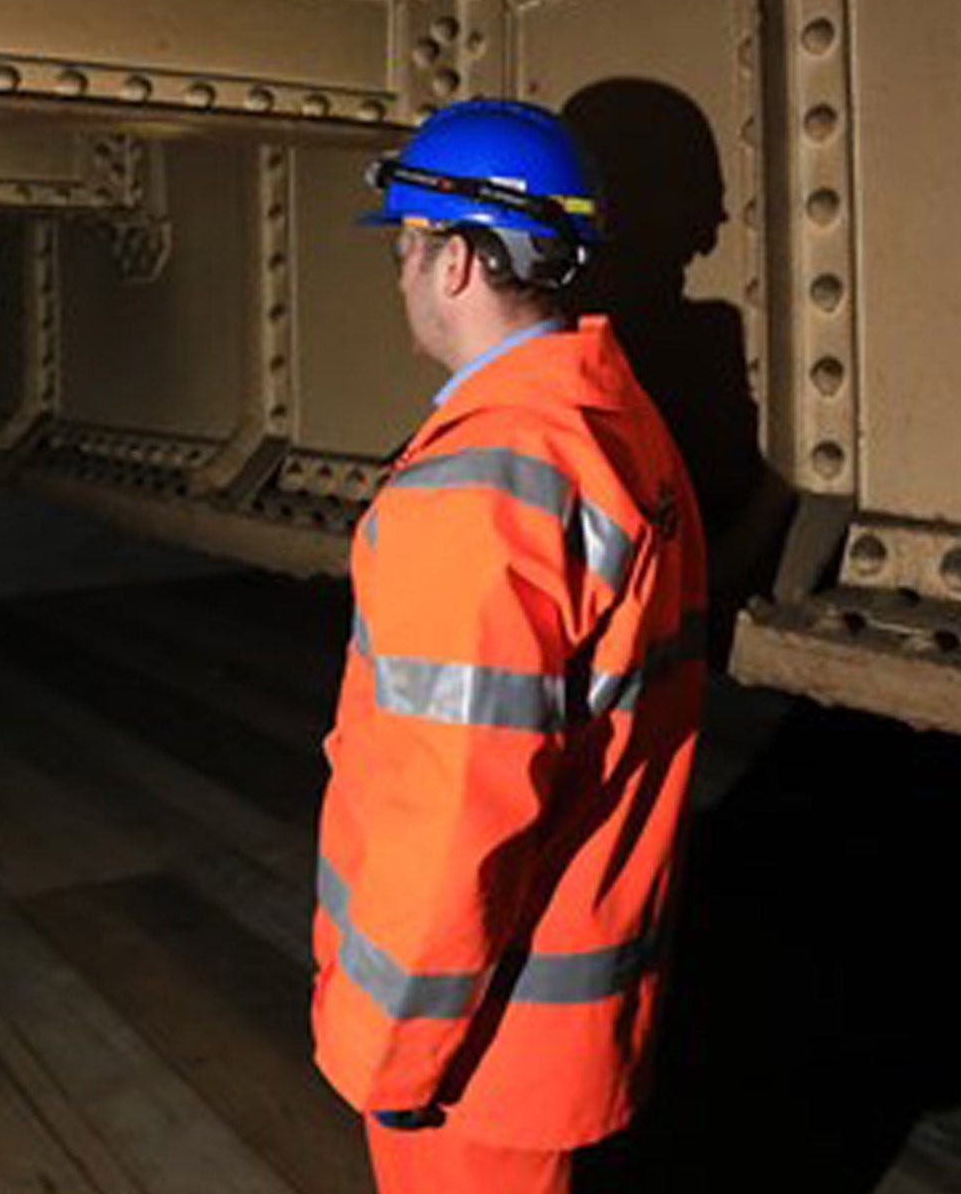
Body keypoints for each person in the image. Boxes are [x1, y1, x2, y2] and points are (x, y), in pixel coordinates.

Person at [311, 99, 708, 1194]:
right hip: (562, 1015)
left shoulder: (480, 483)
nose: (397, 275)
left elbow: (454, 812)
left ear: (452, 264)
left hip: (472, 1056)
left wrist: (392, 1050)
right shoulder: (612, 421)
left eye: (404, 247)